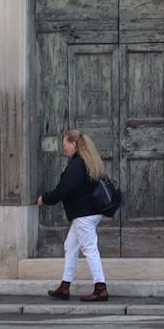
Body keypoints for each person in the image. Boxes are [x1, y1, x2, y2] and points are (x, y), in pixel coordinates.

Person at [36, 129, 108, 301]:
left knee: (89, 248)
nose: (64, 148)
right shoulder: (86, 162)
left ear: (74, 145)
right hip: (88, 213)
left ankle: (101, 288)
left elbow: (64, 189)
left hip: (84, 213)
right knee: (71, 245)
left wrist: (45, 199)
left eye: (65, 144)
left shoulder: (77, 165)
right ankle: (65, 286)